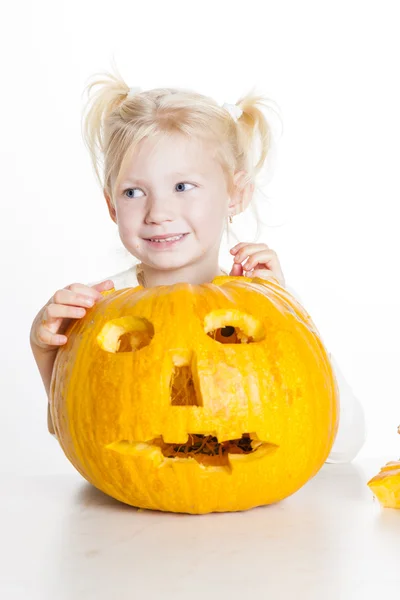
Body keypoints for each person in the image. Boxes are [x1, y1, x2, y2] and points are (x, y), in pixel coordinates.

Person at [29, 70, 365, 463]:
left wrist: (286, 312)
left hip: (252, 517)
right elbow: (83, 429)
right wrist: (47, 351)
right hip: (127, 516)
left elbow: (344, 441)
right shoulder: (102, 309)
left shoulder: (263, 304)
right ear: (111, 205)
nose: (159, 212)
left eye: (182, 187)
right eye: (134, 192)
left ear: (235, 194)